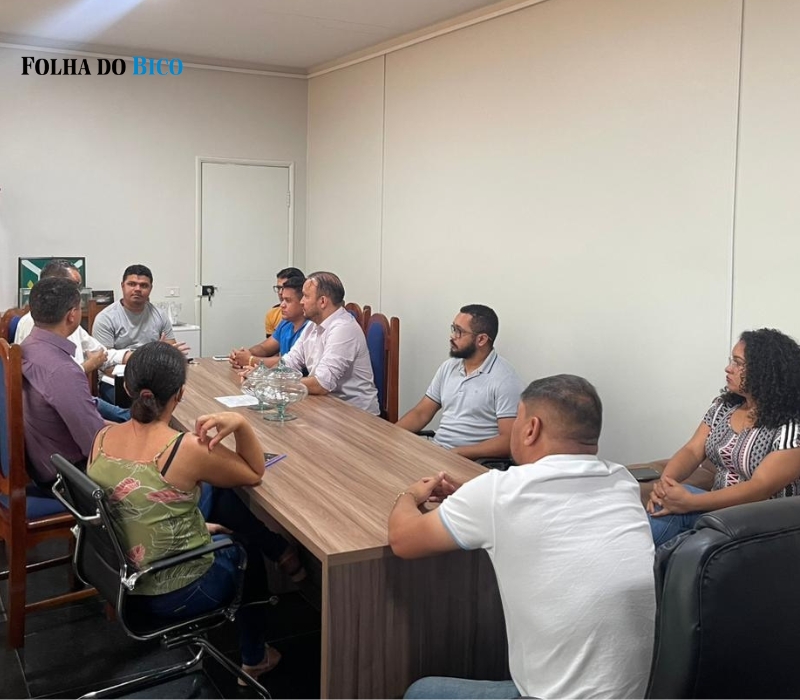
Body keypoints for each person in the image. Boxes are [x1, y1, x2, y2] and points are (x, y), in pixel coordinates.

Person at [389, 375, 655, 699]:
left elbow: (402, 540)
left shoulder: (499, 494)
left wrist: (408, 495)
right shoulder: (623, 482)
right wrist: (472, 496)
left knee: (421, 693)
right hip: (640, 691)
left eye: (517, 418)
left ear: (531, 429)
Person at [86, 342, 281, 684]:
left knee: (213, 500)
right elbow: (254, 473)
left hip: (119, 579)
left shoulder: (102, 437)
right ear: (180, 394)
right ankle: (255, 658)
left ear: (128, 388)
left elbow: (134, 504)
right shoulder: (184, 447)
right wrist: (240, 424)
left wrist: (200, 526)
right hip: (172, 592)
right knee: (246, 551)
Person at [648, 328, 800, 546]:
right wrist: (666, 485)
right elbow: (692, 450)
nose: (728, 368)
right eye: (731, 360)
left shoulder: (792, 426)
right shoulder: (724, 407)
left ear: (765, 371)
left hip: (765, 522)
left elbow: (761, 487)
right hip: (717, 512)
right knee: (664, 509)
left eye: (738, 363)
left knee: (673, 516)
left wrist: (692, 501)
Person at [396, 305, 522, 460]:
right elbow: (421, 413)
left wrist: (459, 453)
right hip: (438, 452)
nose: (452, 336)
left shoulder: (505, 379)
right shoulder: (449, 367)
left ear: (481, 339)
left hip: (471, 461)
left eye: (459, 331)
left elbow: (509, 441)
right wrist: (390, 434)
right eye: (453, 328)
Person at [15, 259, 130, 423]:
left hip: (78, 396)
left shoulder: (68, 324)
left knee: (136, 418)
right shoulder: (34, 324)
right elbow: (48, 382)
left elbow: (100, 352)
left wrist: (131, 356)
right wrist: (88, 365)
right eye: (75, 285)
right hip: (58, 407)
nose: (78, 293)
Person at [21, 277, 106, 489]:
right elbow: (95, 444)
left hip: (41, 464)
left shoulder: (26, 347)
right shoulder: (62, 370)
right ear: (72, 315)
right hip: (70, 480)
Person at [256, 271, 379, 415]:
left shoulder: (344, 328)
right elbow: (289, 362)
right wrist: (262, 375)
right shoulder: (312, 326)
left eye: (306, 296)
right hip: (326, 406)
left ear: (322, 302)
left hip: (356, 415)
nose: (301, 301)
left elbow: (321, 384)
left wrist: (276, 382)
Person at [230, 275, 308, 369]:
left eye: (288, 300)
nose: (282, 305)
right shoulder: (285, 323)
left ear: (303, 302)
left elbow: (289, 362)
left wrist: (250, 360)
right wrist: (241, 355)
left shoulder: (311, 328)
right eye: (283, 299)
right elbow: (264, 348)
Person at [264, 267, 304, 338]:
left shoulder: (312, 320)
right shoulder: (273, 315)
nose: (280, 292)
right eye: (278, 288)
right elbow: (271, 344)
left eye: (284, 288)